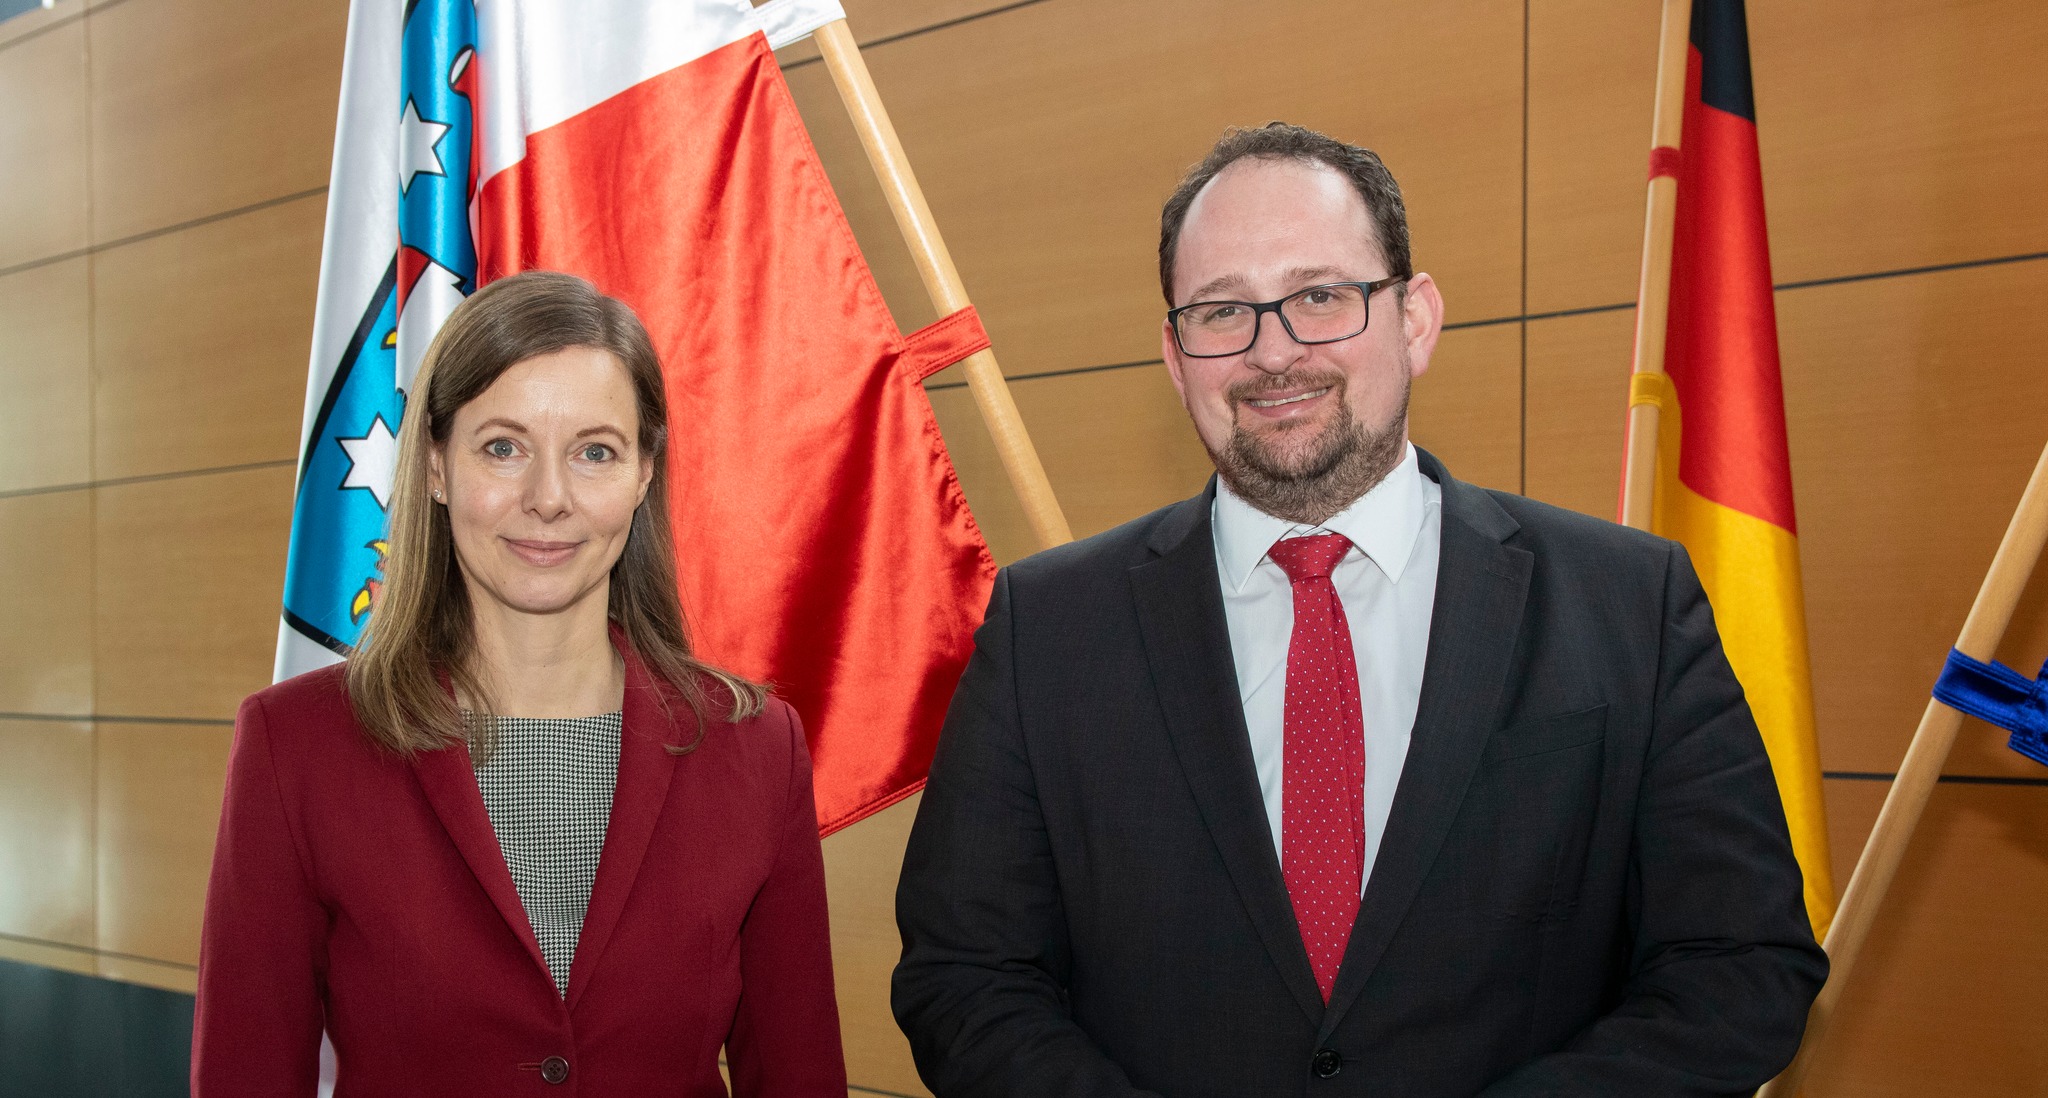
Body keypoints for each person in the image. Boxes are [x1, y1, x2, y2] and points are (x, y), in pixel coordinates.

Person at [892, 123, 1827, 1097]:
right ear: (1174, 355)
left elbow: (1739, 963)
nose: (1273, 352)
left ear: (1414, 320)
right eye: (1221, 311)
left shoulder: (1629, 604)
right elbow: (965, 977)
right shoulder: (1045, 628)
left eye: (1320, 296)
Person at [192, 271, 846, 1096]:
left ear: (644, 473)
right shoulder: (296, 747)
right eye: (504, 447)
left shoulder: (755, 749)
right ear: (436, 465)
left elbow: (798, 1076)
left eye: (595, 452)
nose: (548, 499)